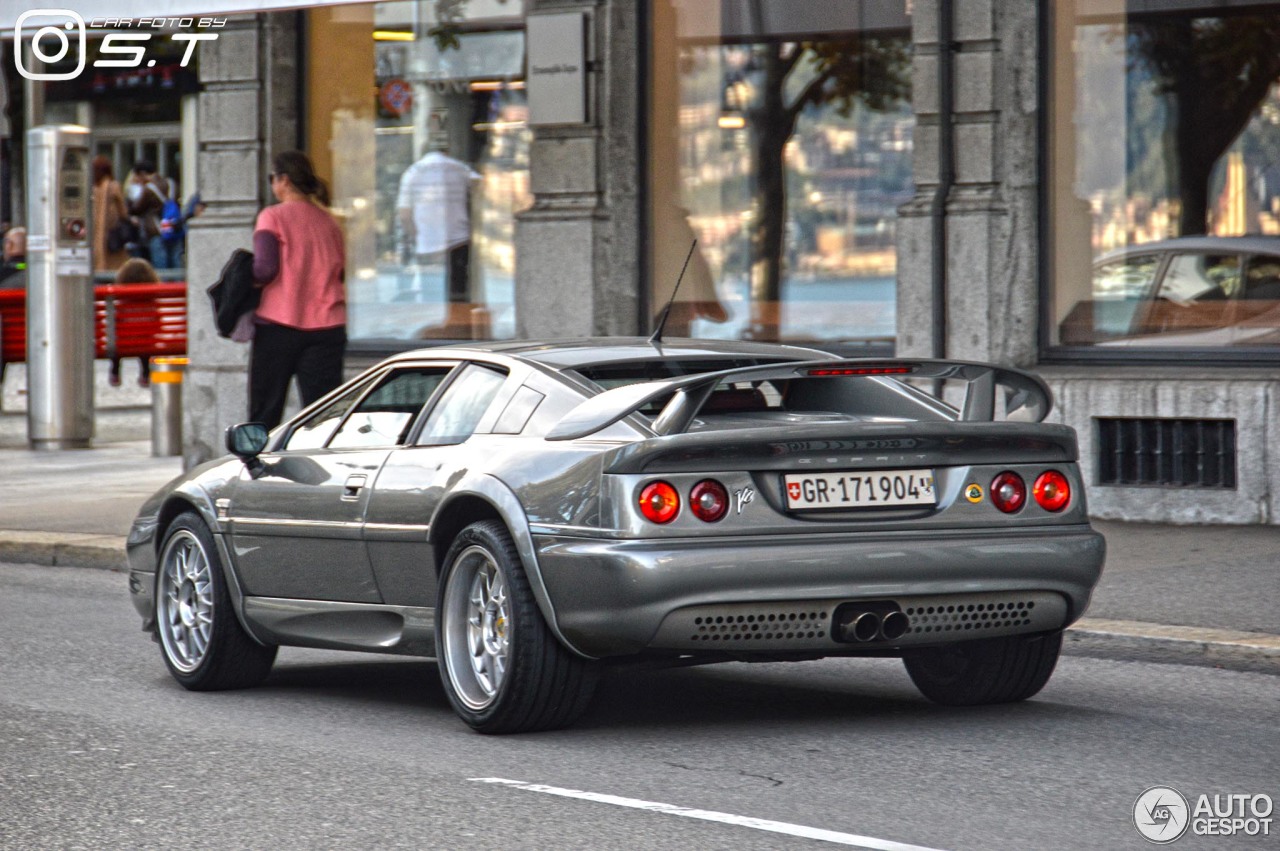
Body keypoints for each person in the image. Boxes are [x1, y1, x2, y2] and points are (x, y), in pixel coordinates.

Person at [249, 150, 347, 429]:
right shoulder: (329, 222)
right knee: (324, 416)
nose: (272, 184)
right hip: (328, 326)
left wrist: (243, 280)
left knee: (265, 413)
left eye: (272, 178)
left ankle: (258, 467)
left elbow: (264, 269)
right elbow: (339, 271)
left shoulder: (272, 217)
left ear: (284, 180)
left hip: (278, 323)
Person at [396, 143, 479, 303]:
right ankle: (458, 323)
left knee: (431, 294)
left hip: (427, 243)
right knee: (458, 292)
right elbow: (482, 186)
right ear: (446, 152)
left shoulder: (412, 172)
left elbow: (404, 214)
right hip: (459, 240)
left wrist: (416, 236)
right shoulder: (459, 168)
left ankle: (436, 323)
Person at [110, 257, 161, 387]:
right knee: (145, 340)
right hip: (146, 341)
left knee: (116, 339)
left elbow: (114, 321)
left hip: (123, 340)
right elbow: (157, 321)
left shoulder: (120, 297)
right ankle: (145, 373)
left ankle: (115, 371)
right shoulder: (152, 297)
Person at [92, 156, 130, 273]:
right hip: (112, 237)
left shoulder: (92, 189)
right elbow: (123, 212)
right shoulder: (114, 186)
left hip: (95, 236)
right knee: (115, 269)